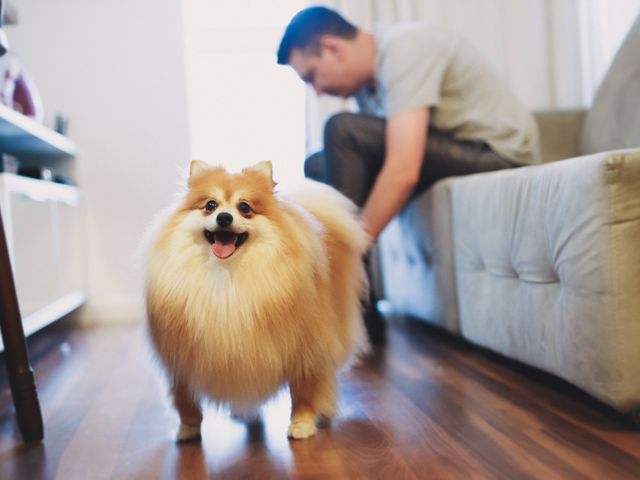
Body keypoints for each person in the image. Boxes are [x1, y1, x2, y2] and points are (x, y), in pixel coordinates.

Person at [276, 6, 541, 344]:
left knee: (342, 129)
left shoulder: (406, 48)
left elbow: (403, 169)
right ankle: (359, 308)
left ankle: (348, 302)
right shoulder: (367, 88)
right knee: (318, 163)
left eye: (312, 76)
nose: (316, 90)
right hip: (453, 150)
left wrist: (346, 249)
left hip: (497, 153)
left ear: (332, 47)